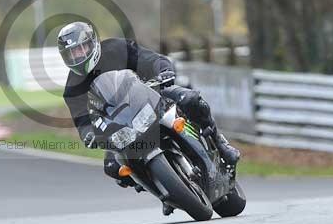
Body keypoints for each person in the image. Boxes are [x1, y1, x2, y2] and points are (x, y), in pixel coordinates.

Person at [58, 22, 240, 189]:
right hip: (121, 126)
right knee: (113, 167)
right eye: (72, 53)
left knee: (190, 99)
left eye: (81, 49)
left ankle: (220, 143)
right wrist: (89, 134)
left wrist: (163, 71)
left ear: (93, 43)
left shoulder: (117, 48)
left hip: (151, 95)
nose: (78, 55)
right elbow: (82, 122)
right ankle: (156, 185)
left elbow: (151, 59)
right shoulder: (72, 89)